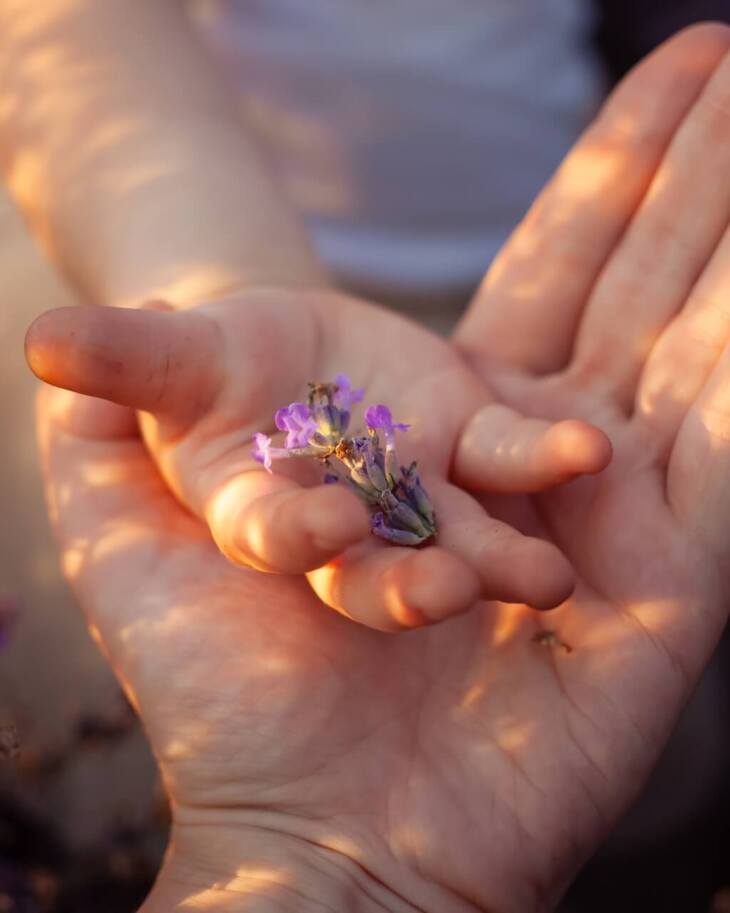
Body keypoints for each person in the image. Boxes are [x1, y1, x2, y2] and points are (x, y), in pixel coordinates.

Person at [1, 2, 729, 909]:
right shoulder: (320, 416)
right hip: (197, 250)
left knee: (616, 638)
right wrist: (225, 281)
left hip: (544, 248)